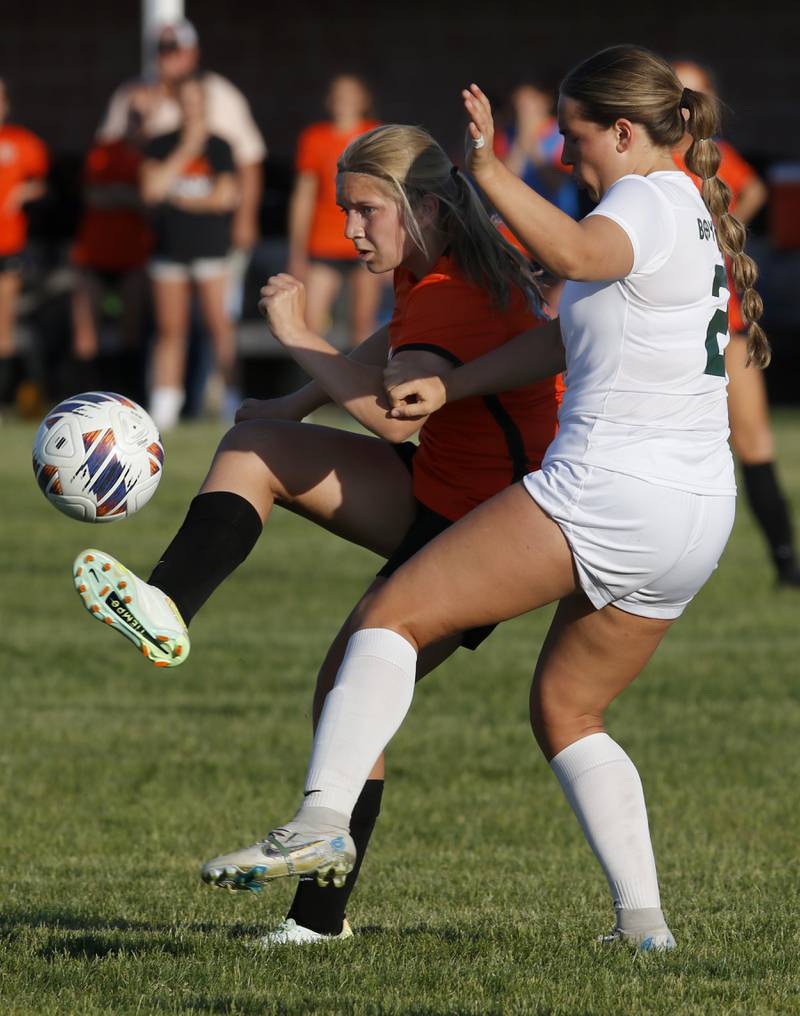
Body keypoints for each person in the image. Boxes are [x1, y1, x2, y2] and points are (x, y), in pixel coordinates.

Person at [199, 45, 769, 953]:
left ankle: (319, 822)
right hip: (695, 514)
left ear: (624, 132)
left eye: (574, 136)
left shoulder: (641, 202)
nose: (566, 152)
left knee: (389, 620)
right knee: (567, 711)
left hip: (611, 489)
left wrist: (492, 171)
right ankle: (645, 927)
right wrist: (455, 390)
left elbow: (574, 249)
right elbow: (561, 342)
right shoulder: (684, 210)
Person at [71, 123, 563, 943]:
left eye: (366, 210)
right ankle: (166, 605)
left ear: (426, 207)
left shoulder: (454, 289)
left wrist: (299, 339)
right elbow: (390, 347)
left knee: (347, 696)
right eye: (345, 211)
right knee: (256, 447)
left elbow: (397, 419)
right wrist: (293, 405)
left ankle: (317, 925)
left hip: (491, 528)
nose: (350, 230)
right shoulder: (435, 264)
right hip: (443, 490)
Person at [672, 60, 799, 587]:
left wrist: (726, 231)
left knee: (753, 440)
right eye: (679, 95)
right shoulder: (645, 162)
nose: (686, 107)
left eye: (696, 95)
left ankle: (787, 565)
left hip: (721, 321)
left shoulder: (710, 159)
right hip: (667, 325)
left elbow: (753, 193)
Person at [97, 19, 266, 259]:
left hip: (212, 223)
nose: (169, 59)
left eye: (176, 51)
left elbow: (249, 160)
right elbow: (112, 158)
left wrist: (246, 218)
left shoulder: (220, 93)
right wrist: (139, 127)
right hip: (155, 224)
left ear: (194, 53)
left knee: (217, 292)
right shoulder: (134, 94)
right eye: (163, 51)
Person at [141, 75, 239, 429]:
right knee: (170, 329)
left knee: (219, 326)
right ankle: (164, 407)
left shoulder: (220, 146)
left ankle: (232, 399)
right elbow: (151, 190)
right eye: (186, 100)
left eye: (198, 100)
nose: (191, 106)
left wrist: (181, 198)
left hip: (211, 248)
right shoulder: (160, 144)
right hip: (170, 248)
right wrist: (185, 151)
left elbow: (226, 197)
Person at [288, 74, 385, 348]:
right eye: (338, 94)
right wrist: (297, 252)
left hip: (366, 237)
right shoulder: (315, 138)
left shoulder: (374, 134)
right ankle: (318, 388)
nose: (343, 100)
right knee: (310, 323)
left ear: (363, 99)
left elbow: (388, 194)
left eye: (350, 93)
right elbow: (303, 196)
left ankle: (360, 389)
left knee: (363, 325)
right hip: (324, 241)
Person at [70, 85, 154, 384]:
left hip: (134, 254)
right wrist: (130, 196)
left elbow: (152, 200)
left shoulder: (155, 153)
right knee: (86, 333)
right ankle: (83, 393)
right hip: (95, 252)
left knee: (130, 330)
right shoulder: (105, 151)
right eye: (132, 114)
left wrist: (124, 196)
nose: (137, 121)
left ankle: (126, 393)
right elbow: (94, 196)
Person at [0, 78, 48, 408]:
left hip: (8, 244)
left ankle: (3, 398)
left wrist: (23, 194)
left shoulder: (22, 143)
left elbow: (42, 184)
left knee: (3, 325)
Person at [496, 80, 580, 219]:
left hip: (558, 219)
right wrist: (521, 140)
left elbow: (559, 184)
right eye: (518, 103)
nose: (522, 110)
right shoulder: (506, 135)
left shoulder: (562, 133)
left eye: (528, 102)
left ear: (545, 101)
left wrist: (531, 141)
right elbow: (502, 182)